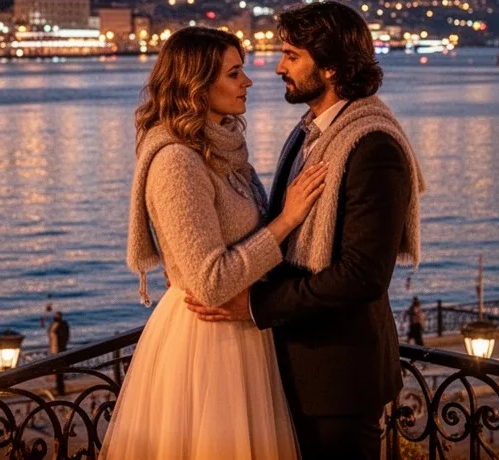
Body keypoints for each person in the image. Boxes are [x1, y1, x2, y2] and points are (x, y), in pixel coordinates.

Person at [184, 1, 425, 459]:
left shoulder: (373, 145)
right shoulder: (308, 132)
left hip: (336, 378)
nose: (278, 67)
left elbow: (364, 276)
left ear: (331, 67)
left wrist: (253, 305)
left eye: (292, 55)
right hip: (289, 367)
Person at [100, 27, 329, 460]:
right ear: (197, 85)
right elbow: (210, 281)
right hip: (206, 344)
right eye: (234, 73)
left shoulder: (222, 150)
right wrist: (287, 220)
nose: (249, 82)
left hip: (241, 332)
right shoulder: (176, 161)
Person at [49, 311, 70, 394]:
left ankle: (61, 389)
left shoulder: (62, 325)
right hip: (55, 350)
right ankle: (59, 388)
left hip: (60, 351)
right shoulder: (54, 324)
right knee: (57, 372)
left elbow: (64, 337)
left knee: (60, 372)